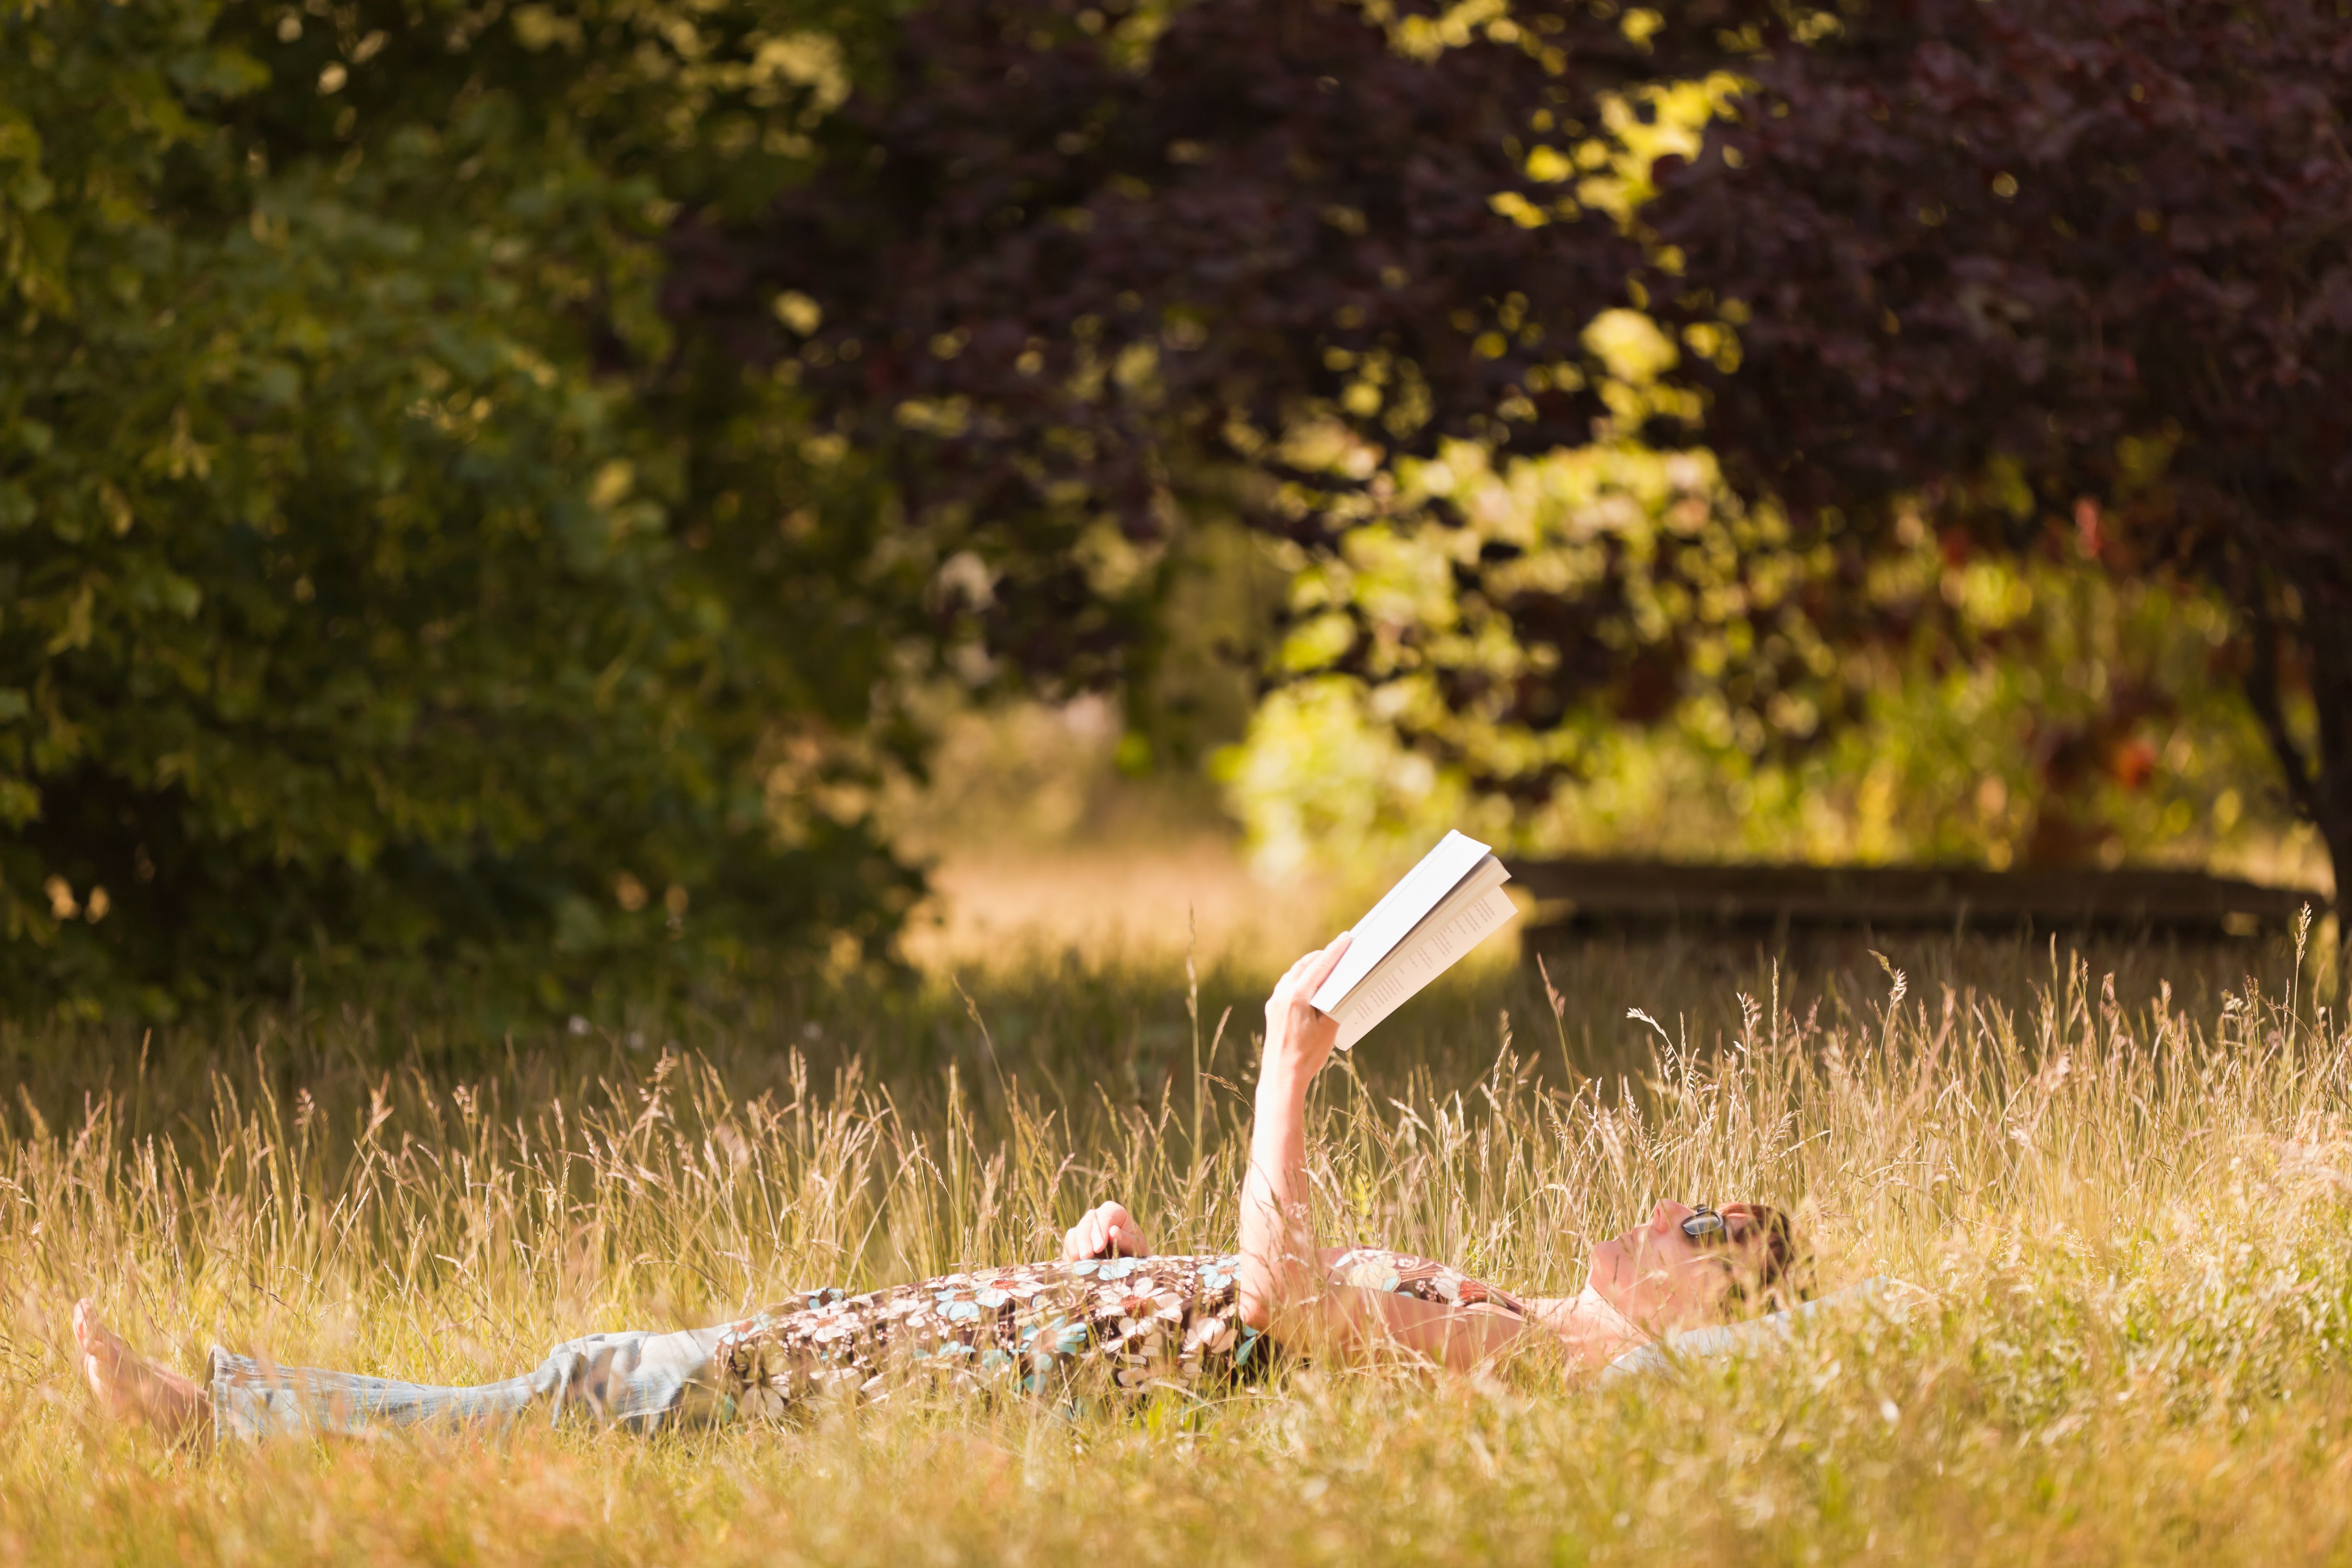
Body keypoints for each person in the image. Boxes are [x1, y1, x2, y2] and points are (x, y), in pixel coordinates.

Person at [72, 936, 1823, 1446]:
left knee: (611, 1386)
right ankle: (234, 1412)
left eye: (1696, 1232)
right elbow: (1270, 1325)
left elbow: (1290, 1305)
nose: (1659, 1212)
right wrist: (1132, 1267)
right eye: (1690, 1198)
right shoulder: (1527, 1325)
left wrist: (1286, 1059)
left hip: (1023, 1373)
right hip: (1054, 1338)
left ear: (1702, 1302)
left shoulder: (1560, 1362)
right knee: (621, 1384)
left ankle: (222, 1418)